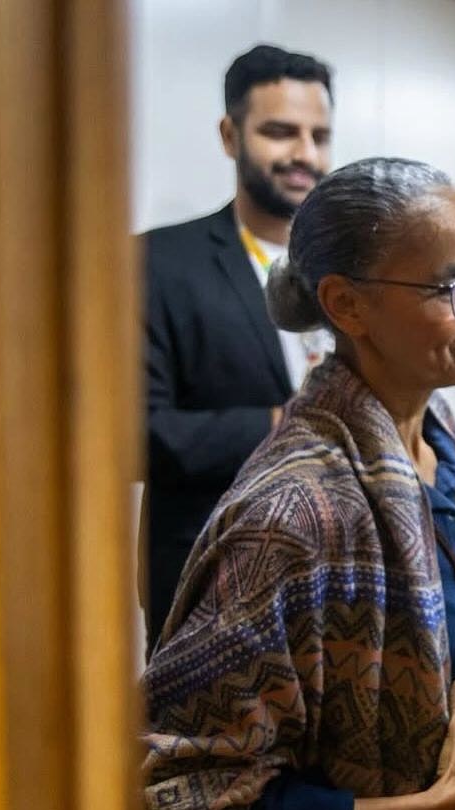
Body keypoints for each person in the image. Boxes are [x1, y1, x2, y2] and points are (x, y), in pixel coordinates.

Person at [142, 158, 455, 810]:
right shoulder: (290, 517)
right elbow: (183, 798)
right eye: (454, 284)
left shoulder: (440, 438)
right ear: (346, 305)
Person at [143, 44, 335, 649]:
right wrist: (285, 424)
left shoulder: (356, 271)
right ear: (230, 135)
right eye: (280, 132)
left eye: (319, 135)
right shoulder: (157, 263)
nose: (304, 154)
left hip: (342, 594)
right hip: (212, 595)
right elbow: (132, 434)